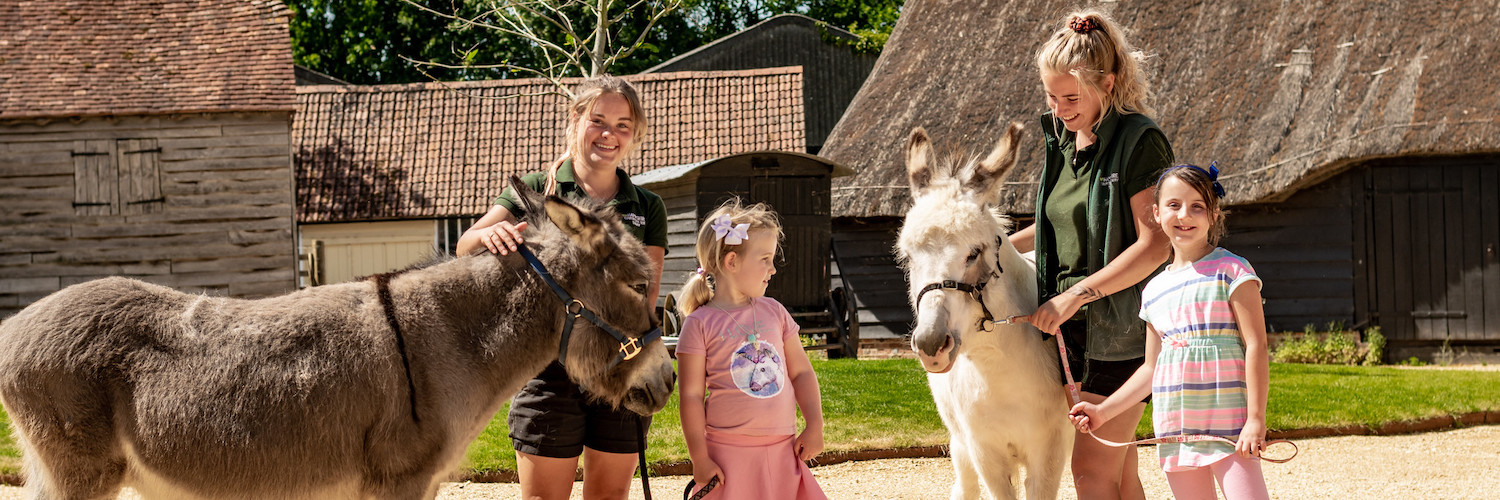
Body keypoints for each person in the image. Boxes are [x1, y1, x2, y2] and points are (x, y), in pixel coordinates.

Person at [454, 75, 668, 500]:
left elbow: (646, 293)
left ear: (634, 134)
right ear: (576, 120)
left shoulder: (646, 206)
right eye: (599, 120)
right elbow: (464, 246)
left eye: (624, 124)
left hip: (617, 362)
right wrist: (487, 239)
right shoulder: (537, 188)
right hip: (547, 368)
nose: (610, 134)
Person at [1008, 9, 1173, 500]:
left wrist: (1075, 296)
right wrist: (989, 247)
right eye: (1051, 96)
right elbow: (1057, 224)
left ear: (1109, 81)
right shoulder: (1060, 141)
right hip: (1071, 329)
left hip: (1121, 329)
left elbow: (1155, 244)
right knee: (1118, 474)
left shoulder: (1140, 141)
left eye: (1071, 97)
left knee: (1090, 473)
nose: (1059, 108)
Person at [1068, 164, 1272, 500]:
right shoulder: (1154, 291)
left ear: (1214, 213)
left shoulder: (1232, 271)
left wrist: (1255, 419)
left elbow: (1257, 346)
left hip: (1232, 433)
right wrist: (1102, 412)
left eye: (1197, 206)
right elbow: (1151, 369)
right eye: (1174, 205)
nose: (1184, 215)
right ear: (1156, 213)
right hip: (1177, 436)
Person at [675, 201, 827, 500]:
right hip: (727, 456)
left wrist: (815, 424)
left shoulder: (776, 312)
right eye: (765, 259)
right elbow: (691, 397)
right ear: (731, 262)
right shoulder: (699, 324)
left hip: (784, 450)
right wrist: (700, 459)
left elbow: (801, 372)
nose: (772, 269)